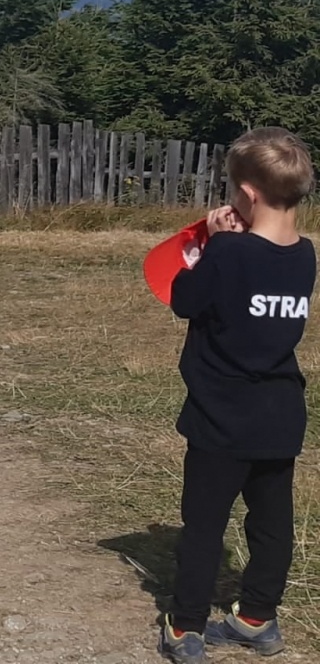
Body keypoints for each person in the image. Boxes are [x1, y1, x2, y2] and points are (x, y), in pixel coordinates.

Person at [158, 128, 315, 661]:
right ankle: (256, 619)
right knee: (272, 525)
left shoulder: (228, 252)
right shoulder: (306, 255)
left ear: (246, 194)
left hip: (221, 416)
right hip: (280, 414)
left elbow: (184, 299)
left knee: (205, 525)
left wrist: (214, 240)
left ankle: (186, 626)